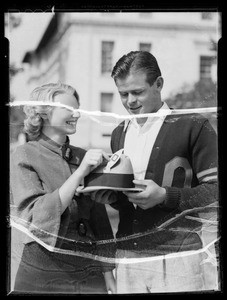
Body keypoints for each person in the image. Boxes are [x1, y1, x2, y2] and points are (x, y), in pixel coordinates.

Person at [105, 51, 218, 293]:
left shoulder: (194, 126)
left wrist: (165, 196)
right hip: (128, 255)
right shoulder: (118, 133)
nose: (130, 101)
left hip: (178, 256)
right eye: (123, 94)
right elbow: (126, 202)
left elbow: (215, 193)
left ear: (159, 84)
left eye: (137, 92)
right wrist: (108, 196)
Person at [10, 82, 116, 294]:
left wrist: (109, 275)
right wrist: (79, 174)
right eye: (68, 109)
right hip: (43, 272)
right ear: (44, 113)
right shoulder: (24, 155)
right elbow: (35, 217)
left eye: (77, 109)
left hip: (89, 274)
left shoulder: (84, 156)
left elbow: (100, 223)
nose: (76, 115)